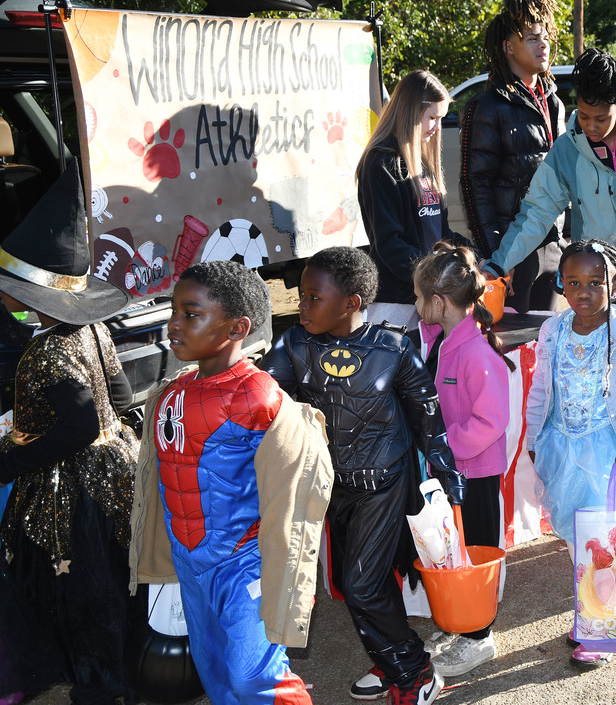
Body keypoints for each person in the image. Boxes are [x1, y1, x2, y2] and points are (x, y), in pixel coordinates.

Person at [262, 246, 464, 705]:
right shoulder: (294, 345)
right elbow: (258, 395)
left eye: (314, 297)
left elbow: (427, 419)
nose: (302, 306)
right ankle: (388, 655)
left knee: (360, 584)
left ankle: (414, 671)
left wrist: (447, 474)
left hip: (386, 484)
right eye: (301, 296)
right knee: (360, 584)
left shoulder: (394, 347)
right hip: (333, 487)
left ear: (352, 302)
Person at [130, 260, 330, 704]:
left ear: (238, 327)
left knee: (255, 679)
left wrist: (291, 573)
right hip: (191, 563)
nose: (173, 325)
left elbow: (299, 485)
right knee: (215, 672)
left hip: (244, 563)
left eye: (190, 314)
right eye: (173, 311)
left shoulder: (259, 398)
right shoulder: (172, 393)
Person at [0, 162, 142, 704]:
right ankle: (120, 677)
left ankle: (99, 689)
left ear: (33, 297)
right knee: (115, 582)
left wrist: (9, 463)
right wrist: (120, 441)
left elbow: (78, 427)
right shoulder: (93, 329)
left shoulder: (47, 352)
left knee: (82, 598)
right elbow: (122, 398)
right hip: (114, 473)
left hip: (71, 494)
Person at [525, 240, 616, 670]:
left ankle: (599, 625)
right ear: (561, 285)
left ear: (615, 282)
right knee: (575, 538)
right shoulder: (553, 329)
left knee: (602, 542)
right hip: (561, 448)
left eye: (595, 282)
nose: (583, 292)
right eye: (572, 282)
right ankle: (594, 609)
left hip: (608, 454)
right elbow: (542, 389)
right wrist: (533, 438)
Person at [482, 48, 616, 282]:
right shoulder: (566, 150)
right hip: (595, 278)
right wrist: (498, 265)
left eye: (601, 119)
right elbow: (536, 213)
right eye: (584, 116)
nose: (591, 127)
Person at [412, 242, 513, 678]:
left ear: (439, 302)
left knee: (477, 554)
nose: (415, 305)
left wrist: (444, 446)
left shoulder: (475, 353)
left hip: (475, 474)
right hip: (452, 471)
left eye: (419, 298)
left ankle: (480, 638)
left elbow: (491, 421)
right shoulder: (445, 338)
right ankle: (464, 625)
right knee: (457, 553)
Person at [460, 0, 566, 312]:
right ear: (508, 47)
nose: (543, 44)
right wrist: (498, 256)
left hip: (552, 246)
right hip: (512, 252)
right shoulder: (487, 107)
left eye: (545, 37)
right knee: (510, 350)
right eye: (532, 38)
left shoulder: (554, 102)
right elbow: (474, 185)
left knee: (544, 342)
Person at [357, 70, 463, 326]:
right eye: (433, 118)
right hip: (397, 303)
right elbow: (390, 245)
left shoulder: (424, 162)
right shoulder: (380, 162)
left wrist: (477, 258)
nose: (439, 128)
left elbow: (441, 233)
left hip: (432, 299)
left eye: (442, 118)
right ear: (411, 112)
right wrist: (434, 277)